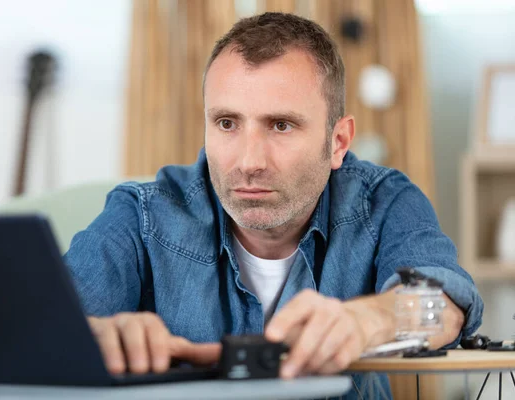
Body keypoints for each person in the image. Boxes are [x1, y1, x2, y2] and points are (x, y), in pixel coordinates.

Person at [64, 11, 483, 398]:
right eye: (227, 123)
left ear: (337, 142)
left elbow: (445, 306)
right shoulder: (141, 214)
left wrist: (369, 321)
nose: (249, 162)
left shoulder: (386, 202)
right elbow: (39, 330)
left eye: (281, 125)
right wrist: (93, 335)